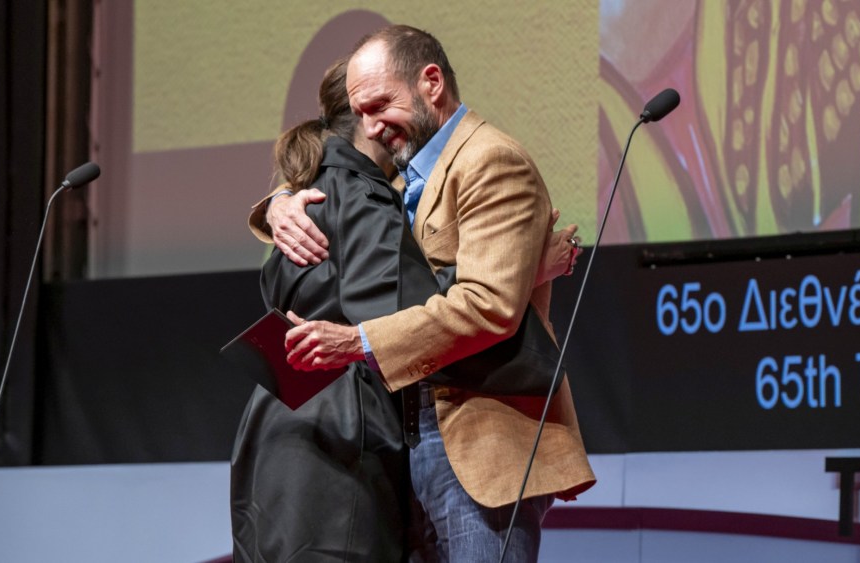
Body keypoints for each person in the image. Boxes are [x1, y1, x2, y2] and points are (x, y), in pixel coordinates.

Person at [264, 25, 596, 562]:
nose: (371, 127)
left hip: (480, 445)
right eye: (360, 113)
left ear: (432, 83)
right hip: (414, 439)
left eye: (379, 106)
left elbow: (488, 306)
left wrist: (356, 342)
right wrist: (280, 201)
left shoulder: (490, 160)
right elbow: (340, 178)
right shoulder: (409, 177)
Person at [229, 58, 411, 562]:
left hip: (271, 427)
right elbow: (397, 320)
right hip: (346, 433)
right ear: (368, 115)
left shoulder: (301, 199)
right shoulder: (367, 200)